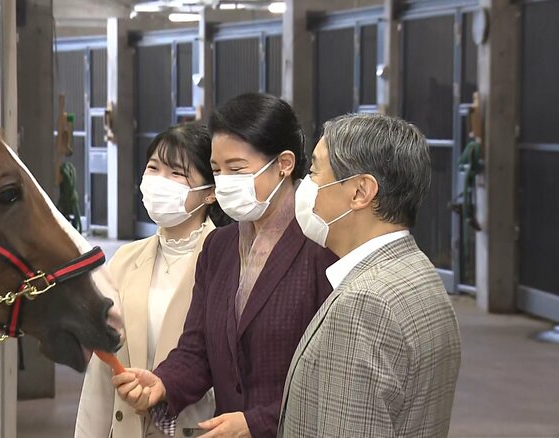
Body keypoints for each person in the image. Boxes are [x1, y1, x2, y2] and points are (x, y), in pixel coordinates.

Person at [112, 93, 337, 438]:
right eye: (217, 170)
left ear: (284, 164)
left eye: (236, 169)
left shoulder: (321, 249)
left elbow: (332, 375)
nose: (224, 180)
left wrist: (258, 423)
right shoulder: (219, 247)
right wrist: (162, 383)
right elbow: (197, 348)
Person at [278, 113, 462, 437]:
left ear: (361, 191)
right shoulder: (419, 274)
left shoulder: (364, 305)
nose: (304, 188)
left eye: (313, 172)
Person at [75, 122, 224, 437]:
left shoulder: (227, 261)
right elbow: (102, 369)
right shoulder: (125, 260)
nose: (159, 182)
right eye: (153, 168)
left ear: (210, 192)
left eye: (176, 173)